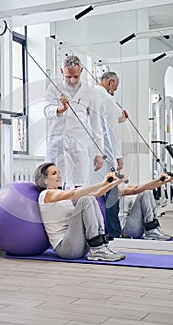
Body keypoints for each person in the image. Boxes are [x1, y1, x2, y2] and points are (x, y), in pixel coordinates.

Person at [34, 162, 126, 262]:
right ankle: (97, 249)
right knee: (85, 200)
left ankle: (101, 245)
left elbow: (97, 194)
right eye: (54, 173)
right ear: (45, 180)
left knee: (90, 198)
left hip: (79, 244)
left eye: (59, 172)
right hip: (66, 248)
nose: (59, 176)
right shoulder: (46, 195)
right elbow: (73, 193)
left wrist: (114, 183)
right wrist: (102, 183)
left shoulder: (62, 194)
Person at [44, 55, 104, 189]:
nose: (72, 80)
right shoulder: (54, 88)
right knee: (55, 185)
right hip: (57, 143)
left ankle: (78, 210)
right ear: (61, 72)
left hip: (78, 145)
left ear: (81, 70)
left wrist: (99, 153)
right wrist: (60, 109)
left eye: (75, 77)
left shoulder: (90, 92)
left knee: (79, 185)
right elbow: (46, 110)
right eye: (68, 77)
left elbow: (96, 125)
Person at [90, 71, 128, 239]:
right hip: (104, 153)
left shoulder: (91, 94)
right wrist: (118, 157)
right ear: (111, 82)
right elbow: (111, 132)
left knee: (92, 192)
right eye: (115, 88)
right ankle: (114, 232)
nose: (115, 91)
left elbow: (99, 123)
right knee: (111, 192)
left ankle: (98, 231)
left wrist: (119, 118)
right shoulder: (107, 99)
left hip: (88, 151)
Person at [118, 173, 172, 240]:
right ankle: (150, 230)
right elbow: (136, 189)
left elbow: (145, 187)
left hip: (135, 225)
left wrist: (164, 181)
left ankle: (155, 227)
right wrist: (158, 179)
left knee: (147, 191)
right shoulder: (114, 190)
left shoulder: (124, 186)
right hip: (126, 230)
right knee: (144, 193)